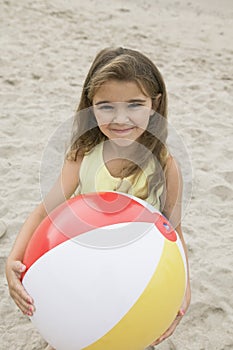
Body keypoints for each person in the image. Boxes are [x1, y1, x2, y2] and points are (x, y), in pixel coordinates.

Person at [5, 47, 191, 349]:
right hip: (81, 273)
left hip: (136, 280)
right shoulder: (83, 156)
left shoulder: (164, 165)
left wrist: (184, 291)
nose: (120, 118)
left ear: (154, 104)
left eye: (135, 105)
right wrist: (13, 259)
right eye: (106, 107)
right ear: (90, 107)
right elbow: (44, 212)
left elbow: (174, 230)